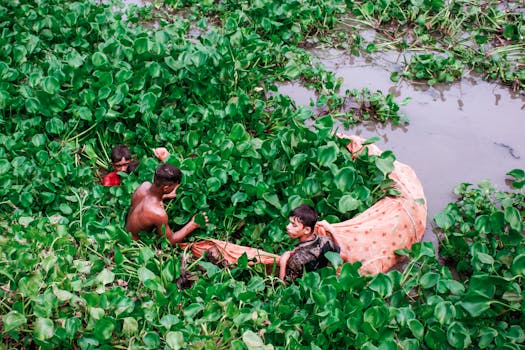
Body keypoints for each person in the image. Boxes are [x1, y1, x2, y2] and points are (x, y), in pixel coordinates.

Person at [125, 163, 206, 244]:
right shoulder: (158, 214)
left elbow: (148, 199)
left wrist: (165, 195)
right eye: (174, 187)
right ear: (166, 188)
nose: (175, 189)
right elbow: (170, 240)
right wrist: (193, 224)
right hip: (134, 243)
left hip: (127, 232)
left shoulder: (144, 186)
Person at [279, 204, 340, 281]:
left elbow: (284, 287)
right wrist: (332, 231)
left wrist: (283, 263)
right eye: (289, 223)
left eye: (294, 225)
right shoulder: (325, 241)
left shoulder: (297, 259)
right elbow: (338, 253)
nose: (288, 227)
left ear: (307, 230)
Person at [102, 145, 171, 187]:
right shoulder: (109, 179)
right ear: (113, 165)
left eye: (126, 164)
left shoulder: (138, 171)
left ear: (131, 161)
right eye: (118, 166)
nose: (123, 169)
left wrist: (163, 157)